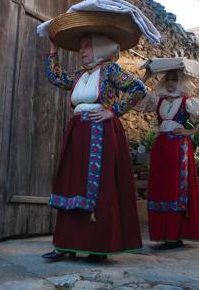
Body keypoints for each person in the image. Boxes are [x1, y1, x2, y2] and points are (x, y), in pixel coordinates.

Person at [42, 33, 146, 262]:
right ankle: (65, 244)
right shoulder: (80, 75)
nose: (82, 51)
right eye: (81, 47)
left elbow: (139, 89)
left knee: (98, 187)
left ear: (99, 49)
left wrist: (113, 110)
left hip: (100, 133)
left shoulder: (111, 71)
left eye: (87, 46)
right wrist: (52, 50)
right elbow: (56, 78)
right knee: (71, 184)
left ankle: (97, 246)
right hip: (78, 133)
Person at [137, 59, 199, 249]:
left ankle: (176, 234)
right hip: (162, 147)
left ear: (180, 82)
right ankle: (164, 234)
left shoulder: (188, 102)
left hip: (179, 149)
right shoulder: (158, 101)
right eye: (168, 79)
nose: (171, 83)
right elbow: (136, 99)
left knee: (176, 190)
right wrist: (147, 76)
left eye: (174, 79)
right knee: (161, 188)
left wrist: (191, 132)